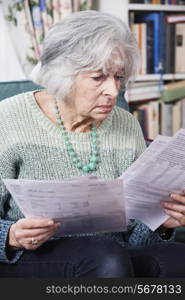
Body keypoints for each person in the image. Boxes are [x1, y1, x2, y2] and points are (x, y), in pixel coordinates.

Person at [0, 10, 185, 278]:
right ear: (62, 74)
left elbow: (134, 242)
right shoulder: (8, 119)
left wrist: (161, 224)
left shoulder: (126, 124)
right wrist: (12, 235)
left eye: (118, 77)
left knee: (177, 257)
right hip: (31, 257)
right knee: (104, 256)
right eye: (98, 78)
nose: (113, 91)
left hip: (112, 255)